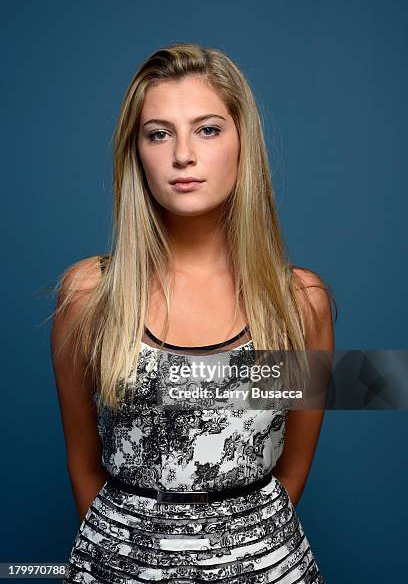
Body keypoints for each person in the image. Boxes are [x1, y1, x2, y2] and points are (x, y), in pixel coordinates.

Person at [51, 41, 336, 583]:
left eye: (207, 129)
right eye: (159, 133)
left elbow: (292, 469)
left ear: (241, 143)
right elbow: (83, 464)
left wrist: (241, 555)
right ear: (135, 152)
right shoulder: (90, 296)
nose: (183, 154)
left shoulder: (297, 304)